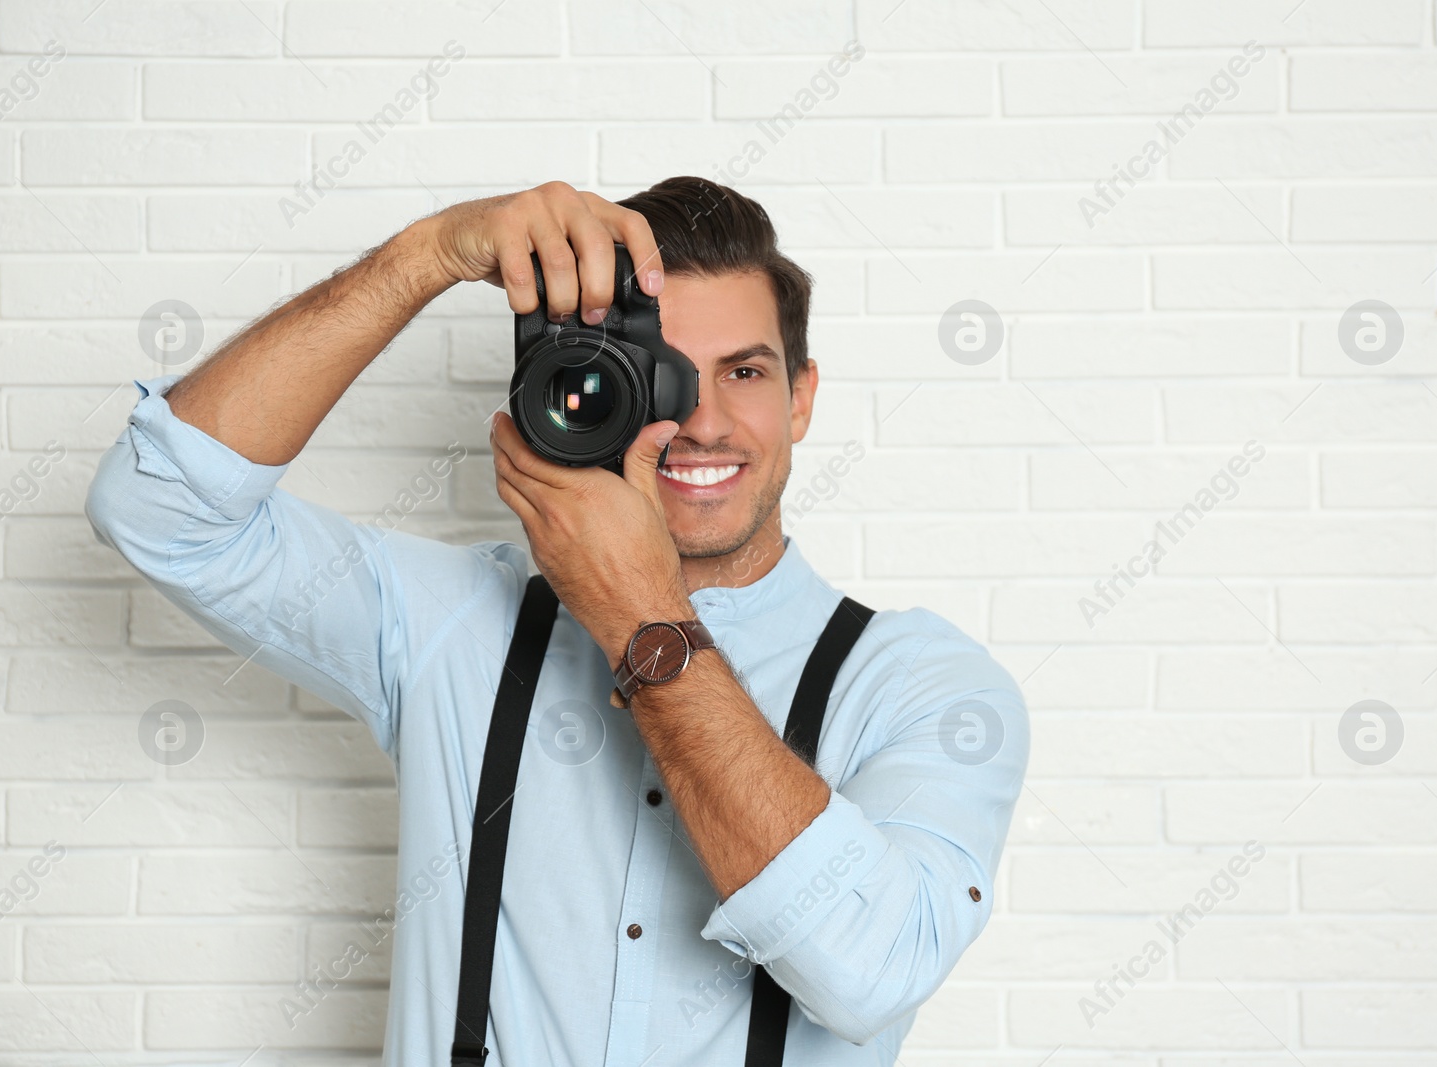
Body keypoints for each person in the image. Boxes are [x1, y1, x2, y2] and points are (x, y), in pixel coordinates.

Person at [85, 177, 1029, 1065]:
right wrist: (428, 255)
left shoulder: (925, 685)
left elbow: (870, 970)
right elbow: (159, 506)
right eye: (661, 371)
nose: (698, 422)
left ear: (802, 397)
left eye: (743, 370)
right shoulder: (452, 621)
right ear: (583, 382)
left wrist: (636, 611)